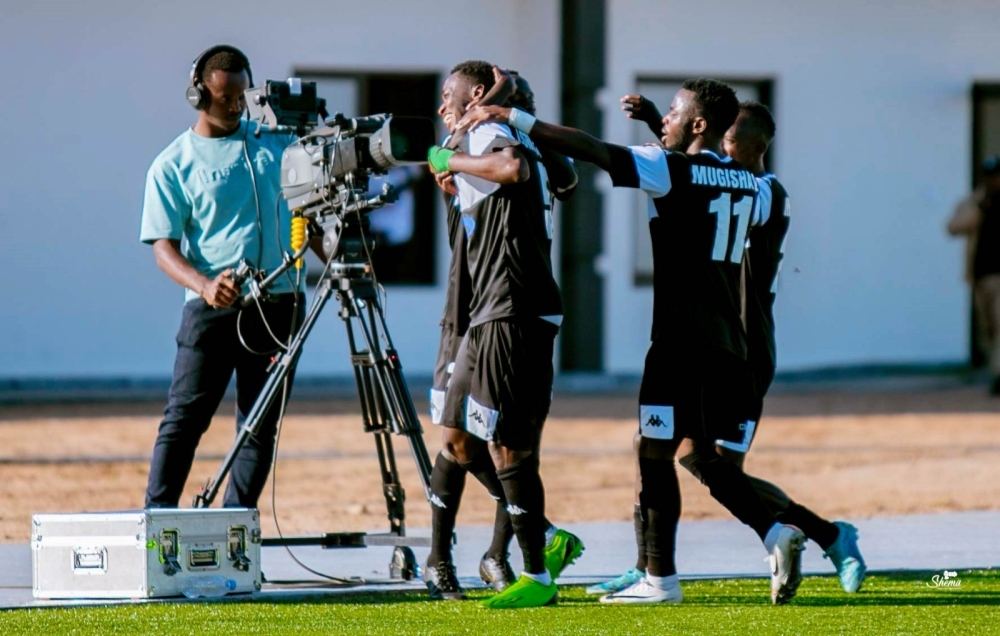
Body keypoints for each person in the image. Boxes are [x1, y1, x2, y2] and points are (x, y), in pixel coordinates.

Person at [459, 78, 806, 606]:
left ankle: (660, 581)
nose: (663, 117)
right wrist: (658, 131)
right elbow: (709, 182)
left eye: (671, 110)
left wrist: (516, 120)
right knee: (697, 456)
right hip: (730, 342)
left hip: (679, 340)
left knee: (655, 454)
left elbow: (593, 149)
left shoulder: (668, 169)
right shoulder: (755, 186)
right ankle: (774, 532)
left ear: (697, 123)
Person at [593, 96, 866, 595]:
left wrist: (666, 136)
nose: (720, 144)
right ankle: (649, 564)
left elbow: (698, 181)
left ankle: (823, 533)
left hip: (744, 347)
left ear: (745, 144)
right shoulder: (724, 182)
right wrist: (663, 126)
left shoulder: (766, 194)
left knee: (707, 461)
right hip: (712, 340)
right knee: (656, 444)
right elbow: (688, 175)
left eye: (728, 137)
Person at [140, 45, 315, 509]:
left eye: (242, 94)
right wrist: (203, 285)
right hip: (212, 309)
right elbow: (163, 246)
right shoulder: (172, 163)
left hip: (278, 306)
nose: (237, 105)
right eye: (225, 97)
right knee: (184, 420)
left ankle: (237, 530)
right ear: (198, 95)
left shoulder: (276, 144)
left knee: (259, 425)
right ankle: (158, 523)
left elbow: (311, 205)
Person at [424, 60, 570, 609]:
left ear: (481, 97)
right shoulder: (483, 134)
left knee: (503, 440)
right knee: (458, 434)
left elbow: (512, 168)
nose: (442, 107)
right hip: (472, 308)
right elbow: (563, 179)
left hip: (505, 308)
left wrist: (457, 148)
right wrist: (453, 168)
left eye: (448, 96)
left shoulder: (492, 134)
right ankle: (455, 559)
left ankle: (530, 567)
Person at [948, 156, 1000, 395]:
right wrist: (979, 208)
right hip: (981, 276)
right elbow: (953, 226)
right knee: (988, 329)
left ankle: (998, 375)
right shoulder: (975, 201)